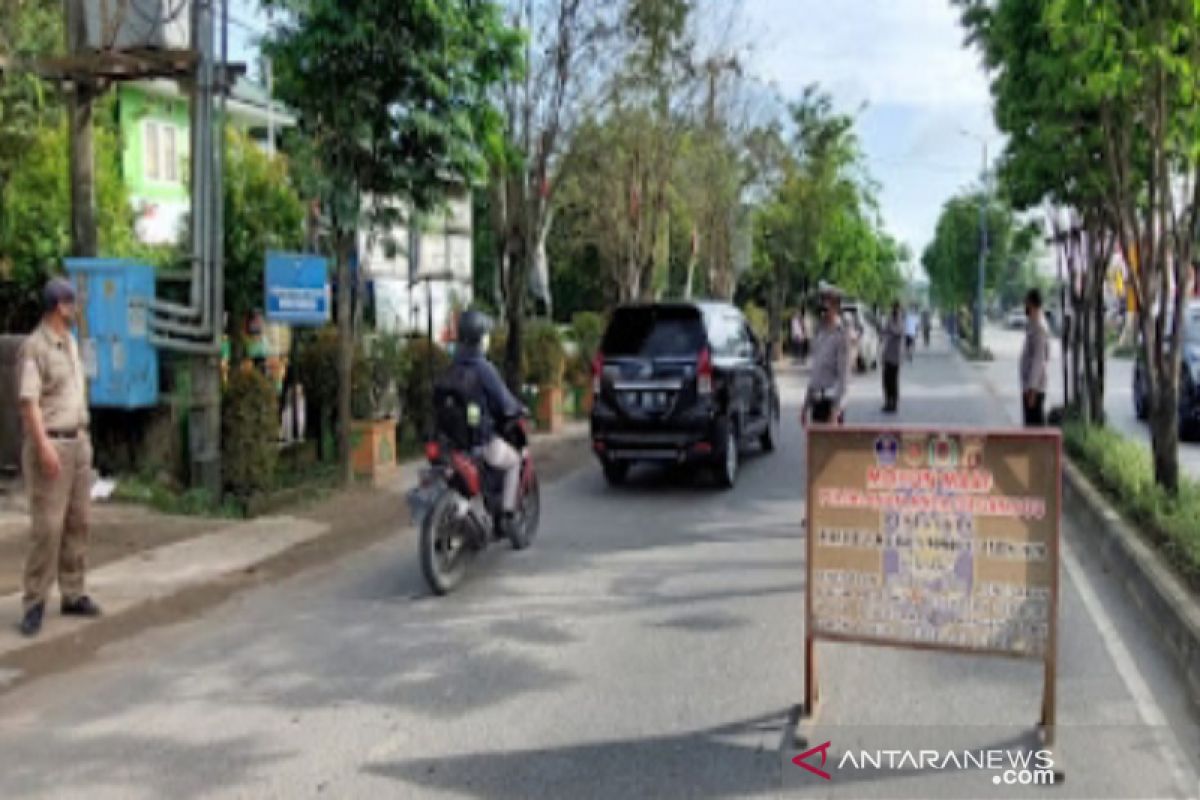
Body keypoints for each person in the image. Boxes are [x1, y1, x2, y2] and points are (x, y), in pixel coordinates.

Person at [16, 277, 102, 637]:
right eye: (71, 303)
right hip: (51, 443)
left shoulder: (70, 343)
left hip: (78, 441)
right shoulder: (35, 347)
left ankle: (73, 591)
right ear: (59, 307)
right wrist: (43, 446)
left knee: (77, 521)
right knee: (47, 527)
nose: (76, 308)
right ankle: (34, 601)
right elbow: (28, 403)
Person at [449, 310, 524, 530]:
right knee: (514, 461)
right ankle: (509, 516)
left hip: (451, 444)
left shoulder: (452, 366)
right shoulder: (484, 369)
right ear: (480, 338)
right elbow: (504, 401)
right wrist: (518, 409)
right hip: (480, 443)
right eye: (487, 334)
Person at [801, 286, 851, 426]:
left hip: (832, 404)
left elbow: (844, 377)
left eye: (826, 307)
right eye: (822, 306)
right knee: (815, 447)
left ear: (836, 307)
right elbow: (815, 373)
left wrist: (835, 410)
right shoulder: (819, 333)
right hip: (817, 402)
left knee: (831, 447)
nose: (823, 311)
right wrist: (805, 406)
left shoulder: (841, 335)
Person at [1020, 289, 1050, 427]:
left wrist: (1032, 390)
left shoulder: (1039, 327)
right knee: (1030, 427)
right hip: (1029, 387)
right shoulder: (1033, 324)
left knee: (1035, 429)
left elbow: (1039, 360)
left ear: (1032, 303)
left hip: (1035, 389)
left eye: (1026, 302)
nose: (1024, 305)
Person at [881, 302, 905, 413]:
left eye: (896, 308)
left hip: (895, 356)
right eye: (894, 308)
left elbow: (897, 332)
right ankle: (887, 402)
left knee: (893, 381)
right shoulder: (889, 319)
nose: (894, 310)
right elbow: (884, 331)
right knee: (886, 381)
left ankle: (894, 403)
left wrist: (890, 325)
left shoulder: (900, 320)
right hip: (887, 355)